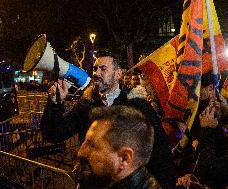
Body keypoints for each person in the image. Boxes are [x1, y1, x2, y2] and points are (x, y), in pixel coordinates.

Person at [40, 50, 176, 189]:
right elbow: (54, 133)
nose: (96, 73)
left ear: (118, 74)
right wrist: (55, 104)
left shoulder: (138, 106)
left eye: (103, 69)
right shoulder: (85, 106)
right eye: (95, 68)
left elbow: (161, 155)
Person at [73, 105, 162, 189]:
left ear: (124, 158)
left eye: (92, 146)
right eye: (85, 142)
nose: (81, 151)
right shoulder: (100, 181)